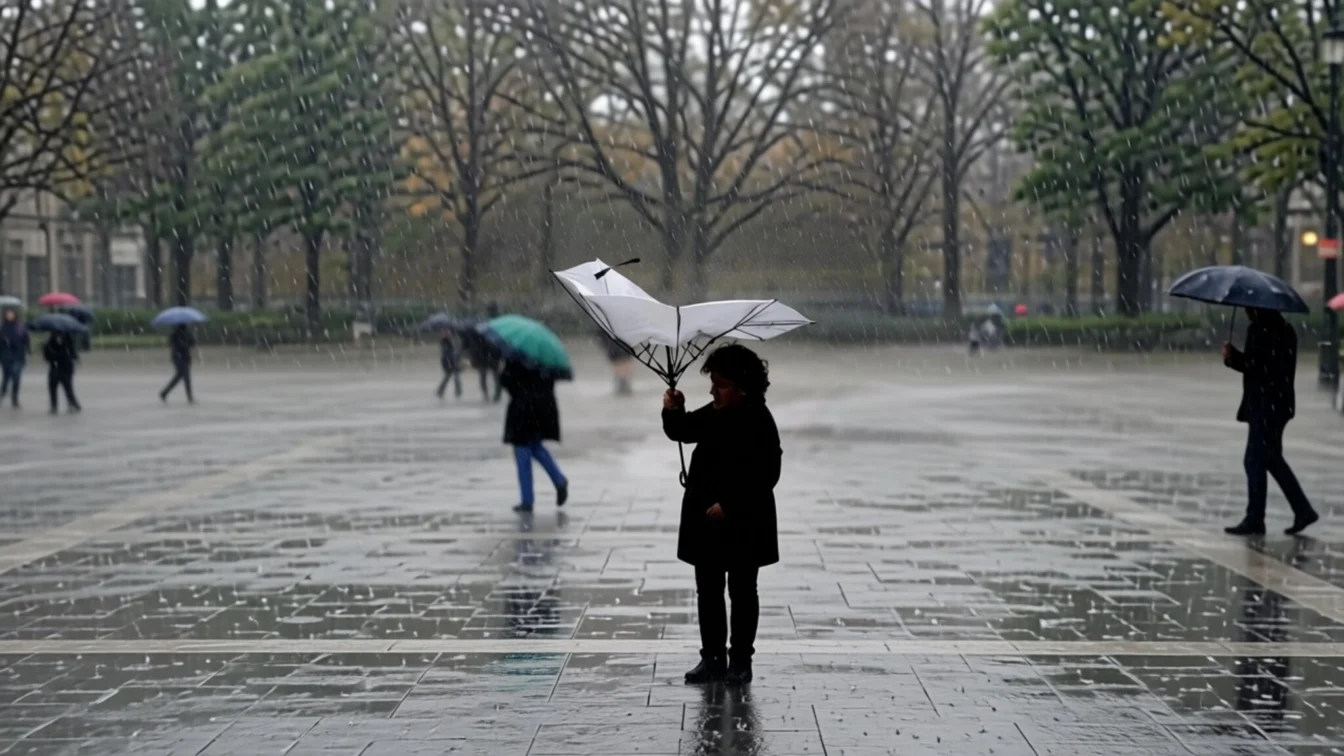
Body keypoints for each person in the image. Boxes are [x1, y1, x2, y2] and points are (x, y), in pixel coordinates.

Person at [662, 344, 781, 686]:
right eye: (712, 382)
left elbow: (766, 473)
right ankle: (712, 658)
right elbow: (684, 431)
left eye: (721, 384)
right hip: (706, 519)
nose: (713, 390)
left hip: (744, 523)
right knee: (708, 590)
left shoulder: (758, 419)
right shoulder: (714, 412)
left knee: (742, 591)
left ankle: (740, 660)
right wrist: (673, 408)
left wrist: (730, 505)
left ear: (743, 387)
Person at [1221, 307, 1317, 536]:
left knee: (1254, 460)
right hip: (1275, 405)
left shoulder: (1264, 330)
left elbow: (1260, 367)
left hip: (1267, 406)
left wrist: (1234, 358)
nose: (1246, 310)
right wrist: (1234, 359)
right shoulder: (1283, 329)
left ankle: (1256, 518)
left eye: (1248, 307)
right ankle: (1302, 510)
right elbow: (1260, 366)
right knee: (1270, 459)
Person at [500, 359, 568, 513]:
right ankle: (559, 480)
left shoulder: (516, 358)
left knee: (522, 451)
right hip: (542, 409)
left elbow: (506, 381)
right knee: (535, 447)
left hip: (522, 409)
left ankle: (527, 500)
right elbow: (554, 378)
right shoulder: (545, 359)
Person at [43, 331, 80, 414]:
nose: (59, 338)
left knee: (68, 387)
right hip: (54, 368)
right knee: (53, 387)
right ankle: (54, 406)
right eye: (57, 337)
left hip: (66, 368)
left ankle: (72, 403)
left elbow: (73, 353)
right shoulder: (49, 343)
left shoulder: (68, 340)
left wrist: (72, 356)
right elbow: (46, 356)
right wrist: (52, 357)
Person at [0, 309, 30, 409]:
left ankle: (14, 398)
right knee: (6, 377)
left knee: (16, 377)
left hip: (18, 356)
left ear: (15, 315)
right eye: (8, 314)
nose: (10, 316)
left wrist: (28, 351)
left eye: (11, 314)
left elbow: (26, 340)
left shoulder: (20, 327)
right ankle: (3, 392)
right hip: (6, 356)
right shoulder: (2, 327)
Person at [160, 325, 196, 403]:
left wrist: (188, 341)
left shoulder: (186, 333)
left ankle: (164, 393)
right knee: (186, 377)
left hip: (184, 358)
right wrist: (184, 343)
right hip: (178, 358)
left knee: (179, 377)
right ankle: (190, 397)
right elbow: (175, 345)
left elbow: (192, 343)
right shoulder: (175, 334)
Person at [599, 331, 635, 395]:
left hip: (616, 339)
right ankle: (622, 379)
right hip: (619, 339)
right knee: (622, 358)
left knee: (621, 358)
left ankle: (623, 379)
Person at [436, 328, 463, 399]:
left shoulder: (457, 338)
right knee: (447, 377)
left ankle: (458, 392)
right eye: (444, 332)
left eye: (447, 331)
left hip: (456, 360)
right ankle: (440, 391)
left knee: (457, 377)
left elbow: (459, 349)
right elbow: (444, 351)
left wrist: (459, 358)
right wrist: (445, 338)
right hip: (447, 361)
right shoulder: (444, 340)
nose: (446, 333)